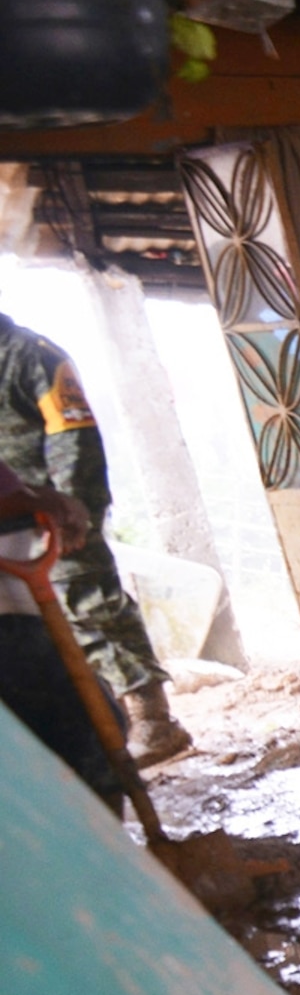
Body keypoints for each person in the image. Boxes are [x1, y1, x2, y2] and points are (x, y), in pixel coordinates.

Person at [0, 310, 189, 763]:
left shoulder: (30, 355)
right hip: (8, 519)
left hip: (53, 515)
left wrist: (74, 505)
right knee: (40, 632)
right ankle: (106, 727)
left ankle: (153, 719)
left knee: (90, 603)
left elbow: (72, 434)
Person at [0, 460, 126, 802]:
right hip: (9, 626)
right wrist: (30, 503)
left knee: (100, 730)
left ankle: (107, 848)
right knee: (87, 730)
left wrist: (42, 499)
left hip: (19, 609)